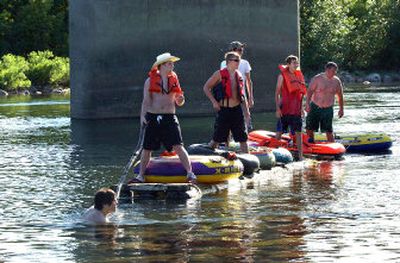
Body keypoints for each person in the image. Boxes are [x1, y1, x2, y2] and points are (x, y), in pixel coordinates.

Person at [132, 52, 196, 183]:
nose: (172, 65)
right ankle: (141, 175)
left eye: (172, 63)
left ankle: (190, 173)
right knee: (147, 148)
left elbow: (179, 102)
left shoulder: (174, 78)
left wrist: (181, 99)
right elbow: (146, 101)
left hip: (169, 116)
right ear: (161, 66)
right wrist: (142, 117)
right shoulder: (149, 81)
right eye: (169, 63)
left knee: (178, 145)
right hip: (153, 116)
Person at [203, 51, 250, 153]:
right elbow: (206, 88)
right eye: (236, 60)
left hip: (237, 110)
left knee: (243, 138)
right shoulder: (219, 74)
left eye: (239, 60)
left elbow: (242, 95)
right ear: (229, 61)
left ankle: (248, 160)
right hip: (224, 110)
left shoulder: (239, 75)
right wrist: (214, 102)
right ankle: (208, 154)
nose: (238, 62)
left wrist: (246, 112)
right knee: (217, 139)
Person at [275, 55, 307, 160]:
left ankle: (301, 156)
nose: (296, 65)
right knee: (280, 131)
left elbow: (301, 94)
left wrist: (302, 108)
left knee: (298, 132)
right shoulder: (282, 76)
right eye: (294, 63)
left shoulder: (299, 75)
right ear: (288, 64)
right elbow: (277, 93)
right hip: (285, 108)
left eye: (297, 63)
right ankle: (275, 152)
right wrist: (278, 108)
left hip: (296, 109)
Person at [305, 61, 344, 143]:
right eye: (333, 71)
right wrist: (307, 104)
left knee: (329, 130)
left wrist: (341, 109)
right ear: (327, 69)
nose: (334, 73)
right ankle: (310, 144)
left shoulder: (336, 81)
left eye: (335, 71)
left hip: (328, 108)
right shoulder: (317, 79)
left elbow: (340, 96)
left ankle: (332, 146)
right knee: (310, 128)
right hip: (315, 106)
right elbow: (309, 91)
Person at [220, 41, 254, 130]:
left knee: (246, 114)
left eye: (242, 50)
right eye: (239, 50)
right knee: (229, 115)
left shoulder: (245, 63)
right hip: (229, 94)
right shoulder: (224, 63)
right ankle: (228, 139)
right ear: (233, 50)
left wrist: (250, 97)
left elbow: (248, 81)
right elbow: (222, 79)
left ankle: (246, 136)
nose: (241, 52)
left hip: (241, 93)